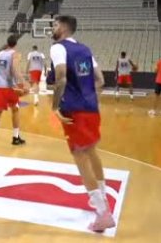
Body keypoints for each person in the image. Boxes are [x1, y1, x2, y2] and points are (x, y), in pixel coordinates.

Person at [49, 15, 114, 233]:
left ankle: (102, 213)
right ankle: (103, 200)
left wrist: (54, 107)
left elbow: (61, 77)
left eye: (55, 25)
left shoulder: (58, 47)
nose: (52, 28)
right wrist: (89, 97)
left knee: (80, 156)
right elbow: (100, 80)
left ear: (64, 28)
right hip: (91, 108)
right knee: (91, 151)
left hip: (74, 110)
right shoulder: (85, 50)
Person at [0, 34, 29, 146]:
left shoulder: (0, 53)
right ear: (16, 44)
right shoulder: (15, 54)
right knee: (15, 109)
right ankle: (15, 137)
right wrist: (23, 82)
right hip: (8, 86)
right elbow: (15, 69)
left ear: (7, 43)